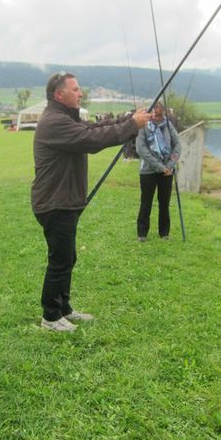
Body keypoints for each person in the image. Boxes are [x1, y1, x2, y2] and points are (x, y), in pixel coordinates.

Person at [31, 71, 151, 332]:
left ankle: (64, 308)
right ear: (59, 94)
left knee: (68, 257)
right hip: (55, 202)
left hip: (65, 200)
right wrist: (131, 126)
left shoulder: (65, 119)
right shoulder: (54, 122)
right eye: (75, 89)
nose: (81, 93)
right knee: (60, 260)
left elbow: (93, 128)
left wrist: (129, 119)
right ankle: (50, 316)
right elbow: (92, 140)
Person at [135, 101, 181, 242]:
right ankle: (142, 234)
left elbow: (177, 145)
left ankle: (164, 233)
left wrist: (170, 165)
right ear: (150, 113)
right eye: (154, 113)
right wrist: (160, 167)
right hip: (148, 171)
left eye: (159, 114)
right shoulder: (143, 126)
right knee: (146, 203)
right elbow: (141, 149)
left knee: (164, 203)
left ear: (164, 113)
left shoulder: (168, 125)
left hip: (167, 171)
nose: (156, 117)